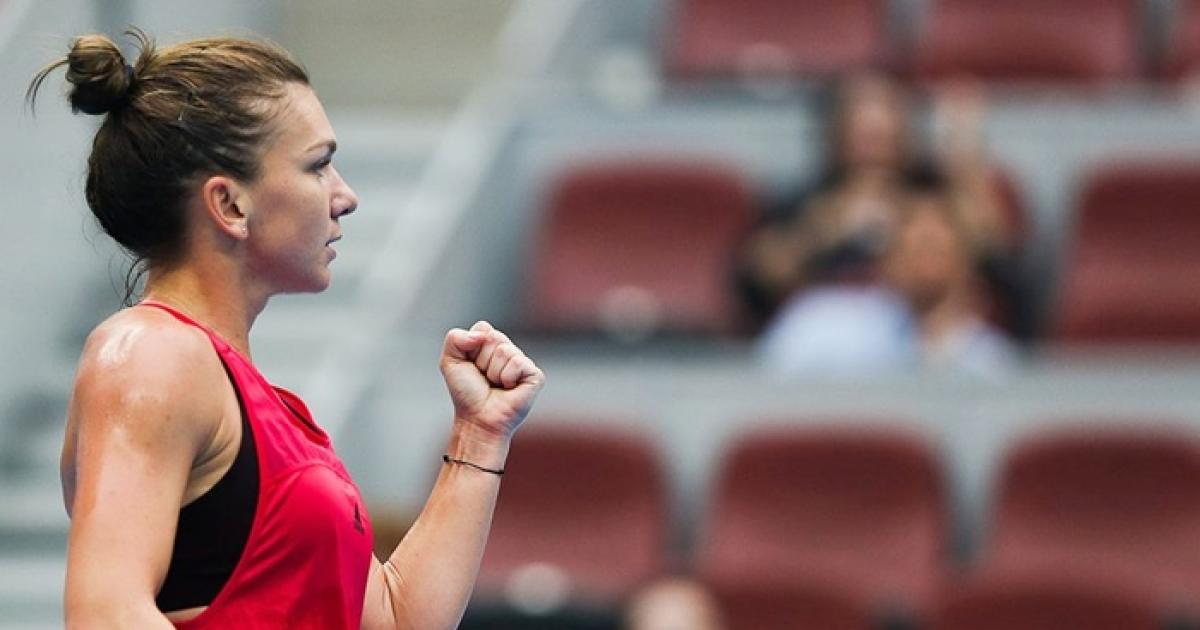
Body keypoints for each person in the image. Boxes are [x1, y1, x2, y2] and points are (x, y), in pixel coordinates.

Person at [29, 29, 545, 628]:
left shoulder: (267, 411)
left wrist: (479, 435)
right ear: (230, 205)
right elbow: (106, 615)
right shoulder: (150, 354)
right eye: (318, 165)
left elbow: (397, 619)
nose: (345, 196)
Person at [758, 166, 1016, 377]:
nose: (925, 259)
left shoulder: (992, 364)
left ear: (967, 261)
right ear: (888, 257)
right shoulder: (818, 325)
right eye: (914, 244)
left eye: (938, 246)